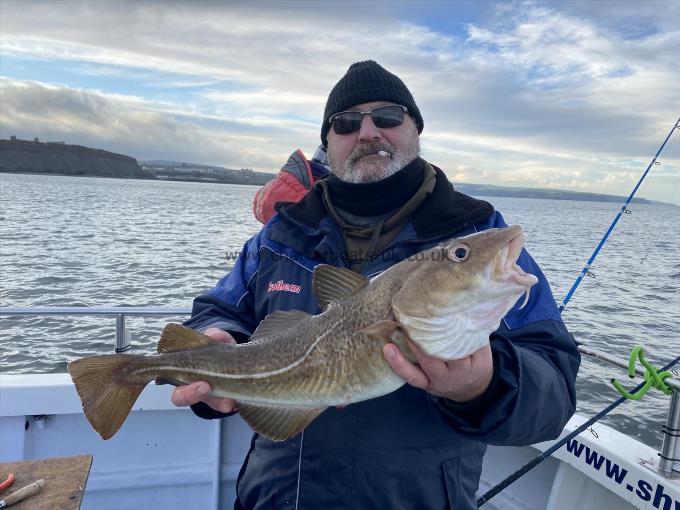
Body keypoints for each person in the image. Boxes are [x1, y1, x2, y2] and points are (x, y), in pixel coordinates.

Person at [171, 60, 580, 510]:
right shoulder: (281, 236)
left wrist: (484, 383)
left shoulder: (474, 235)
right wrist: (216, 345)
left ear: (415, 130)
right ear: (328, 142)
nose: (367, 132)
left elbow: (554, 390)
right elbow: (222, 310)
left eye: (387, 116)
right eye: (346, 123)